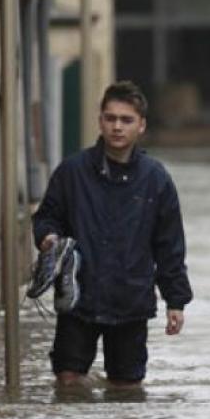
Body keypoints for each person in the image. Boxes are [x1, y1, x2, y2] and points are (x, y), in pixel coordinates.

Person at [32, 80, 192, 389]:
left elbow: (169, 246)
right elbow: (46, 217)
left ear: (141, 126)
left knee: (127, 389)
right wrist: (48, 238)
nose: (117, 127)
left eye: (126, 120)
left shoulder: (156, 180)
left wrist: (176, 302)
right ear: (100, 121)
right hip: (79, 299)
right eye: (111, 118)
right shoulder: (72, 172)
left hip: (131, 301)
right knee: (68, 381)